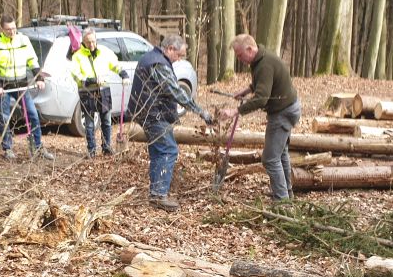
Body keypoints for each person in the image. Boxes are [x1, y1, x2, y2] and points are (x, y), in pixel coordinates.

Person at [128, 35, 214, 211]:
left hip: (148, 112)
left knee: (158, 151)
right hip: (153, 114)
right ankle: (159, 195)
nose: (179, 59)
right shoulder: (158, 63)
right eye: (179, 55)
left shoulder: (152, 57)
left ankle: (156, 192)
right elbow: (175, 91)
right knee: (168, 149)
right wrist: (200, 111)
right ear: (170, 49)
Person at [220, 34, 301, 201]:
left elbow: (262, 99)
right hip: (288, 107)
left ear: (250, 49)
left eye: (240, 54)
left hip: (283, 112)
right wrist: (248, 89)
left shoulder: (264, 64)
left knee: (270, 159)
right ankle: (287, 194)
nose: (239, 58)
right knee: (281, 153)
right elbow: (263, 82)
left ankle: (282, 203)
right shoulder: (260, 60)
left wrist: (236, 111)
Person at [0, 15, 54, 161]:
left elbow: (33, 61)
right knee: (4, 118)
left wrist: (39, 78)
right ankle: (8, 148)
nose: (12, 32)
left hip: (22, 85)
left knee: (33, 115)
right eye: (9, 29)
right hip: (4, 86)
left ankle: (37, 146)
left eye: (14, 28)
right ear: (2, 29)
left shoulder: (23, 40)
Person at [70, 28, 129, 157]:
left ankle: (107, 148)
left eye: (93, 41)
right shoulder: (77, 56)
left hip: (104, 91)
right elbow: (76, 75)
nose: (91, 45)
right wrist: (91, 80)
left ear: (96, 40)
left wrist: (124, 75)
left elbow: (115, 65)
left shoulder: (104, 52)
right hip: (87, 93)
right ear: (83, 42)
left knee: (106, 122)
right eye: (88, 42)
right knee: (90, 125)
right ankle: (91, 150)